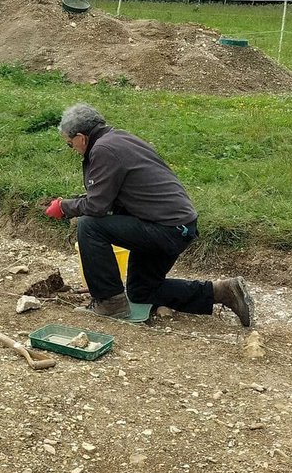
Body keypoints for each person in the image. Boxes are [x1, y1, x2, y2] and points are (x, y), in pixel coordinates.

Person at [44, 103, 253, 326]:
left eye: (70, 144)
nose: (72, 149)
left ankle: (109, 303)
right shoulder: (120, 138)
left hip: (165, 228)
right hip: (176, 225)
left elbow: (96, 207)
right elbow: (107, 195)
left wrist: (64, 207)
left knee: (89, 225)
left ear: (81, 137)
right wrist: (73, 201)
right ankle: (223, 291)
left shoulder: (103, 150)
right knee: (141, 291)